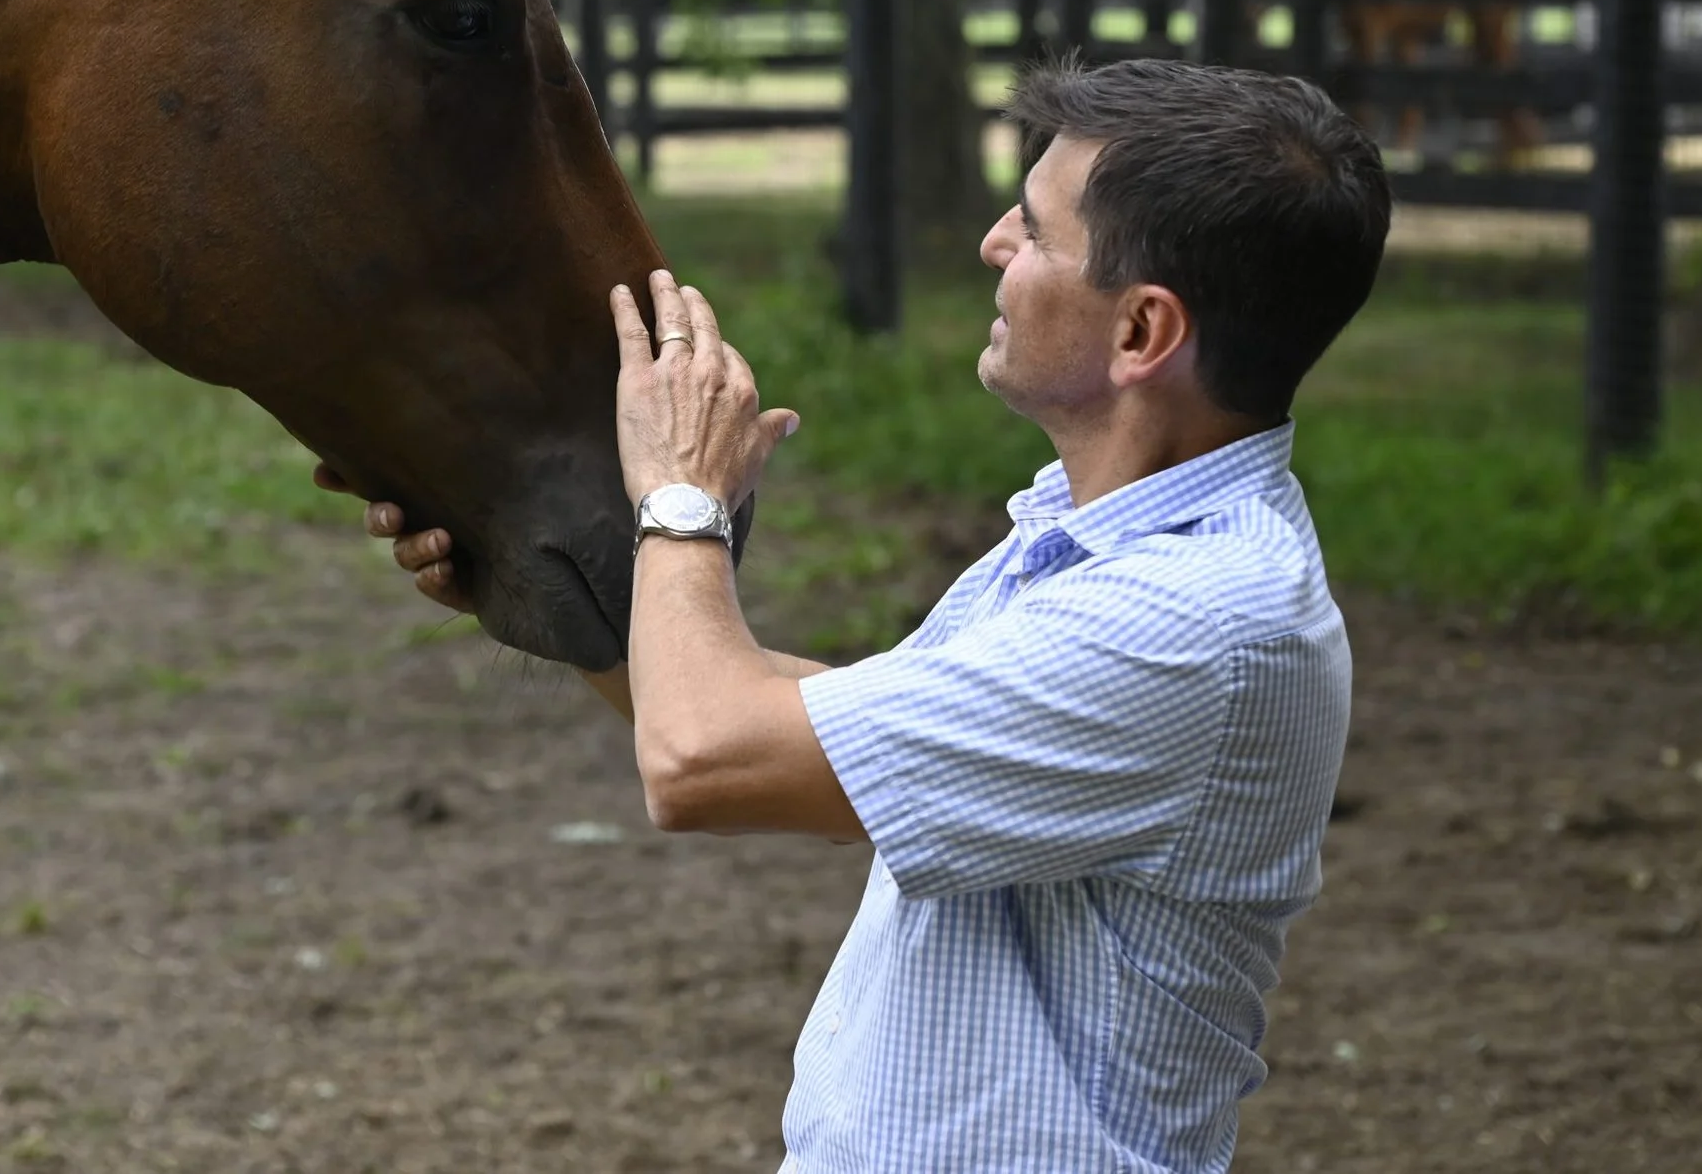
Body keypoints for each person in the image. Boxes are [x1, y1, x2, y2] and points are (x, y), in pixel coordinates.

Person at [328, 57, 1393, 1173]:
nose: (991, 242)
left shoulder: (1192, 624)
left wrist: (681, 501)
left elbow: (702, 757)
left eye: (1032, 232)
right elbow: (817, 762)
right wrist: (536, 586)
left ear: (1141, 333)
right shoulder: (1100, 546)